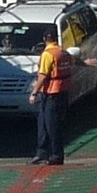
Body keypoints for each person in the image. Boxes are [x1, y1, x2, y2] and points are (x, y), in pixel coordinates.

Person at [27, 29, 71, 165]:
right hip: (63, 91)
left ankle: (56, 155)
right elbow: (74, 61)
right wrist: (87, 62)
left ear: (45, 39)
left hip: (52, 93)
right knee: (44, 123)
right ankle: (42, 153)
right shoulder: (63, 52)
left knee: (52, 125)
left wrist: (34, 92)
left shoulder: (48, 54)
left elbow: (43, 75)